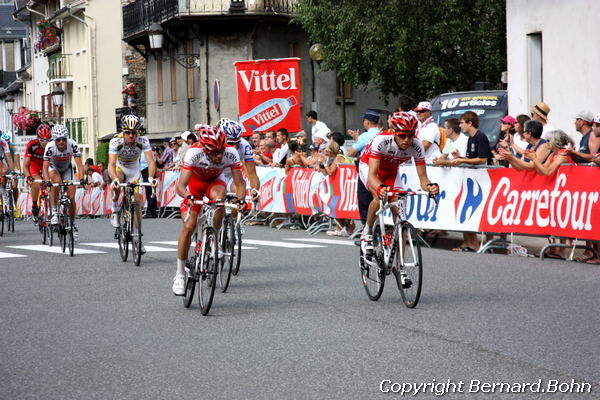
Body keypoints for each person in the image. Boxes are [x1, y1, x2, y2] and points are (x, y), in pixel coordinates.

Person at [172, 126, 246, 295]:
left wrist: (241, 200)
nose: (219, 156)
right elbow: (181, 186)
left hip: (215, 181)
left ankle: (215, 240)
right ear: (204, 149)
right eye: (214, 152)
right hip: (194, 185)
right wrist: (189, 196)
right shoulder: (193, 152)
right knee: (189, 226)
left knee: (220, 199)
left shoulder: (230, 153)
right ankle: (180, 274)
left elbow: (240, 183)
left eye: (220, 150)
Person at [358, 112, 439, 258]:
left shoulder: (417, 145)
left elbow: (423, 178)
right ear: (394, 132)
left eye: (410, 135)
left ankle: (401, 262)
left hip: (391, 172)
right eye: (402, 135)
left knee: (399, 210)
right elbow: (371, 176)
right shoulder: (381, 140)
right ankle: (367, 232)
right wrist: (379, 187)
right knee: (379, 197)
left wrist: (430, 187)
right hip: (370, 168)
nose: (407, 140)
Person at [107, 115, 157, 247]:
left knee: (137, 202)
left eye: (134, 132)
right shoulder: (115, 141)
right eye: (128, 132)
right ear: (123, 131)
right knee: (118, 181)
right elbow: (111, 164)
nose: (131, 135)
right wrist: (115, 179)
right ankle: (115, 210)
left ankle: (138, 238)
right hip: (120, 167)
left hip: (134, 169)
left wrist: (151, 177)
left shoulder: (143, 140)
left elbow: (151, 161)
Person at [449, 111, 491, 252]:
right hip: (471, 178)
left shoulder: (480, 137)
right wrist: (459, 156)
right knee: (464, 208)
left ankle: (478, 243)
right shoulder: (470, 138)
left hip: (482, 180)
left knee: (475, 209)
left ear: (470, 123)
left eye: (462, 123)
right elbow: (471, 158)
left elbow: (482, 159)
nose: (460, 126)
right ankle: (468, 242)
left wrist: (462, 160)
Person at [42, 125, 86, 231]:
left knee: (71, 197)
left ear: (67, 138)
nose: (61, 142)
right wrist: (48, 181)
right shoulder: (50, 146)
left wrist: (81, 179)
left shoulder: (72, 144)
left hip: (67, 168)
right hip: (54, 167)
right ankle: (54, 212)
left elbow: (79, 164)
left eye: (64, 139)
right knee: (56, 182)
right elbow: (45, 166)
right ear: (54, 140)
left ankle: (72, 223)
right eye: (58, 140)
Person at [218, 119, 260, 201]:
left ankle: (235, 212)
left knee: (239, 192)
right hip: (215, 175)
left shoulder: (245, 146)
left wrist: (255, 190)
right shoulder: (215, 144)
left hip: (231, 176)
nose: (234, 147)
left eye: (237, 142)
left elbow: (252, 174)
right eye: (230, 143)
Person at [319, 141, 354, 237]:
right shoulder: (333, 158)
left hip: (346, 186)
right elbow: (325, 173)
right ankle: (341, 228)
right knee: (337, 206)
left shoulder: (338, 157)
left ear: (331, 151)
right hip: (342, 186)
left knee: (343, 206)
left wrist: (324, 163)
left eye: (326, 151)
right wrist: (322, 165)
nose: (325, 153)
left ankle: (349, 229)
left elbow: (330, 172)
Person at [23, 124, 52, 219]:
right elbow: (26, 165)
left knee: (53, 182)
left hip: (47, 166)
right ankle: (35, 205)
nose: (44, 143)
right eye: (42, 140)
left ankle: (55, 210)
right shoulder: (32, 145)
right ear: (38, 138)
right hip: (34, 165)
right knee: (37, 181)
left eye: (47, 140)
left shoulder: (52, 145)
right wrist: (28, 177)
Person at [0, 131, 20, 218]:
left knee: (14, 185)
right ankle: (3, 196)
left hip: (8, 162)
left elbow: (15, 158)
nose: (7, 142)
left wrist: (15, 171)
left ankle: (15, 205)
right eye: (6, 141)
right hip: (3, 161)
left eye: (8, 141)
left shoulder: (11, 145)